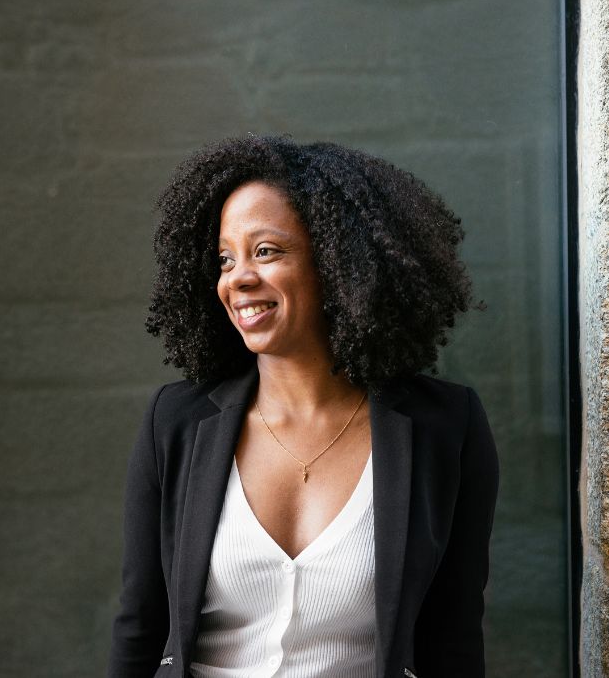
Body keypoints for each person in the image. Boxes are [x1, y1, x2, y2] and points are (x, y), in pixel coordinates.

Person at [108, 135, 499, 678]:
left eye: (266, 251)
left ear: (338, 263)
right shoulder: (175, 421)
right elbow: (140, 626)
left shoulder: (444, 426)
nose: (239, 278)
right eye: (226, 259)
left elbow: (453, 638)